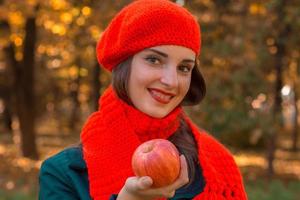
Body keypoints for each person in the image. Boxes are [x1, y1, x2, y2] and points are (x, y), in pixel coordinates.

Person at [39, 0, 248, 199]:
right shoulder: (64, 174)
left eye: (184, 68)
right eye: (154, 60)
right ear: (124, 64)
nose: (171, 81)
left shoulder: (216, 165)